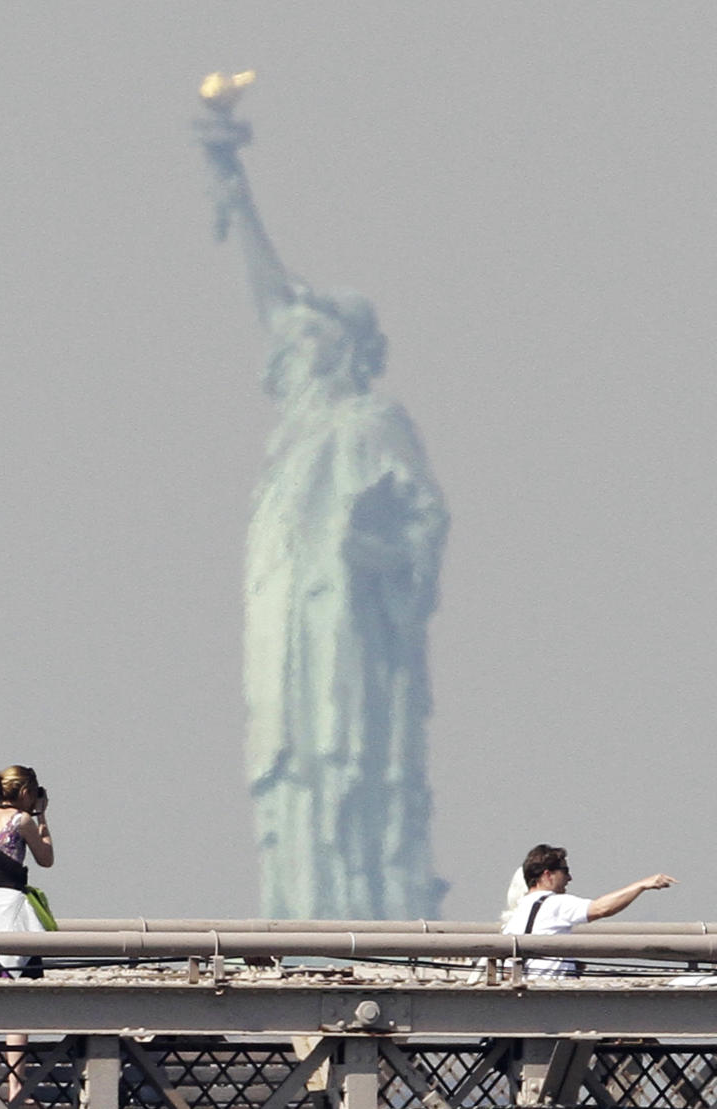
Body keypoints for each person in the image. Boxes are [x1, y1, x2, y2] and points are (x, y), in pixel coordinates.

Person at [194, 77, 448, 919]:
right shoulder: (295, 433)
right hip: (289, 642)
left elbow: (425, 525)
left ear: (343, 348)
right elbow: (272, 296)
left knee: (345, 777)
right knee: (292, 777)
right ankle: (299, 926)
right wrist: (233, 184)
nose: (288, 344)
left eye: (308, 335)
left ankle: (363, 935)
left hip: (348, 645)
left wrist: (365, 554)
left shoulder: (369, 420)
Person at [0, 765, 54, 1102]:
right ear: (24, 792)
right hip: (11, 912)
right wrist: (43, 818)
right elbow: (45, 859)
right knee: (17, 1003)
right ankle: (17, 1085)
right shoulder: (23, 821)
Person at [502, 843, 677, 977]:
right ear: (548, 875)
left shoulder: (519, 912)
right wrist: (642, 885)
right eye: (565, 871)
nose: (569, 878)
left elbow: (509, 971)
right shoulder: (555, 904)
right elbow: (601, 908)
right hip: (550, 998)